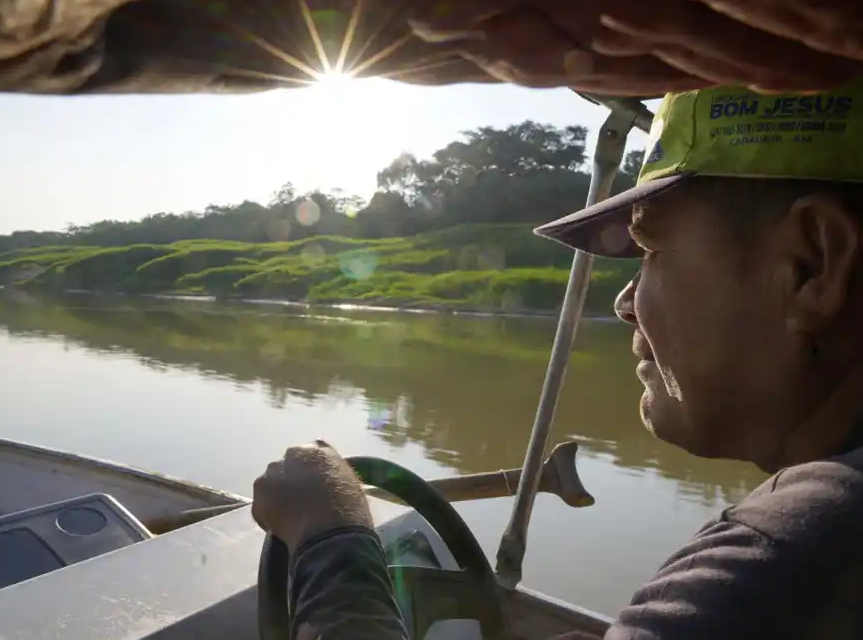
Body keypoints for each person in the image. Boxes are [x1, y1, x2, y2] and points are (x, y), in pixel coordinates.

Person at [252, 80, 863, 640]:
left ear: (811, 265)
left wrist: (328, 534)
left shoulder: (791, 560)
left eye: (650, 248)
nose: (624, 303)